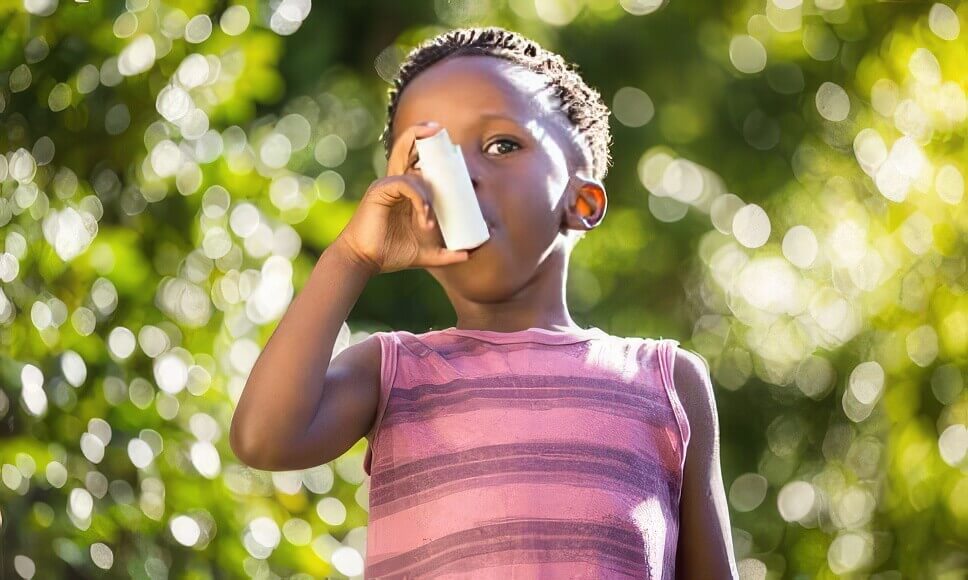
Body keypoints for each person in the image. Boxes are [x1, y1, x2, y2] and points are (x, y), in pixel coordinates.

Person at [231, 25, 738, 579]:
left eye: (501, 146)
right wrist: (353, 256)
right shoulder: (391, 372)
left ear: (582, 201)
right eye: (428, 159)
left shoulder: (666, 381)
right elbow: (263, 440)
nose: (464, 174)